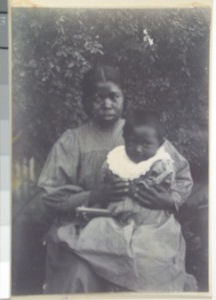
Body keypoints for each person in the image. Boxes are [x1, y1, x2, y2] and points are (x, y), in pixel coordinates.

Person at [38, 65, 194, 294]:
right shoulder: (72, 142)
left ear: (124, 98)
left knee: (151, 269)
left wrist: (169, 199)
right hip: (90, 228)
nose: (107, 104)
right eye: (98, 98)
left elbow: (181, 174)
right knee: (78, 271)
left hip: (147, 228)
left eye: (113, 97)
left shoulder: (142, 132)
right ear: (86, 101)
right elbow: (49, 195)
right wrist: (94, 195)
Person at [57, 110, 195, 292]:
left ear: (159, 143)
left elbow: (183, 179)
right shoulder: (117, 158)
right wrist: (108, 192)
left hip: (153, 224)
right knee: (98, 236)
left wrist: (170, 199)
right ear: (125, 139)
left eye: (145, 145)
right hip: (118, 219)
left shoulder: (163, 159)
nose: (138, 149)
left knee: (150, 260)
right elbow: (105, 181)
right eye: (132, 143)